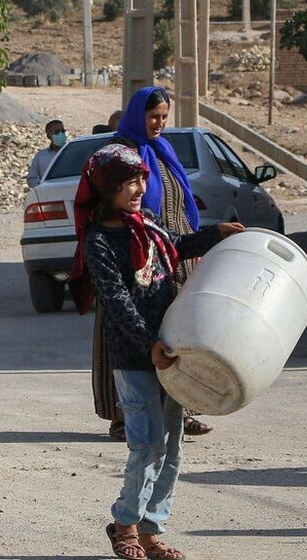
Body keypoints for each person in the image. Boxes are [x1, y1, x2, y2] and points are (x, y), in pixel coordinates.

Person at [70, 143, 242, 560]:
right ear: (108, 189)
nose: (138, 188)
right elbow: (116, 301)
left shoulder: (145, 223)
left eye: (141, 180)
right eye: (129, 182)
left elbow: (177, 245)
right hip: (136, 357)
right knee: (146, 444)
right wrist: (148, 346)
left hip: (173, 347)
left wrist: (214, 235)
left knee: (172, 445)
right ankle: (124, 524)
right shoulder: (99, 241)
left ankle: (151, 531)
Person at [98, 88, 212, 440]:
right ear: (137, 115)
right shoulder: (120, 154)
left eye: (164, 117)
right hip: (133, 255)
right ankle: (122, 415)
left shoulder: (164, 151)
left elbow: (178, 205)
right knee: (127, 331)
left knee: (177, 332)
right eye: (153, 117)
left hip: (175, 254)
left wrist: (198, 240)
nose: (159, 124)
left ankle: (182, 410)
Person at [26, 119, 68, 186]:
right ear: (49, 136)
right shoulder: (40, 157)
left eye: (62, 131)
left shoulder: (73, 152)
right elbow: (31, 179)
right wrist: (44, 185)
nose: (61, 134)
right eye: (57, 132)